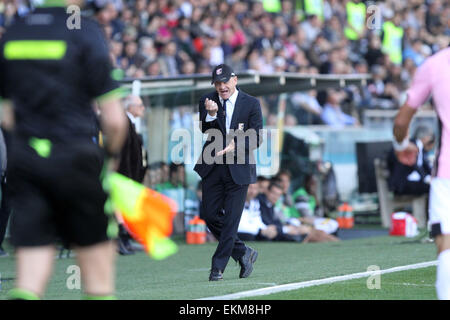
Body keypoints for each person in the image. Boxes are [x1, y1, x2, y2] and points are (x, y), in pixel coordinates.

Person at [0, 0, 128, 300]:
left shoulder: (15, 31)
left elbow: (6, 115)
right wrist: (110, 159)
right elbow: (115, 120)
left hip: (27, 159)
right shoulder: (84, 31)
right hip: (76, 156)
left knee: (29, 275)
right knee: (96, 271)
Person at [194, 63, 263, 281]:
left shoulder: (251, 103)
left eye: (225, 82)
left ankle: (218, 267)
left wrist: (238, 144)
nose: (221, 87)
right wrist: (212, 115)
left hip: (239, 167)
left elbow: (257, 137)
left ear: (235, 79)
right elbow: (205, 129)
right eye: (217, 83)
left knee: (231, 220)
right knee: (210, 215)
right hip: (213, 166)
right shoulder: (207, 100)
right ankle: (243, 253)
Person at [393, 47, 450, 300]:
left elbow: (402, 122)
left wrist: (401, 144)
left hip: (447, 172)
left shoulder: (435, 64)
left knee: (446, 246)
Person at [116, 94, 147, 255]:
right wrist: (127, 178)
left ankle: (126, 240)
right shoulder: (124, 123)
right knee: (120, 209)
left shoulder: (130, 123)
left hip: (129, 176)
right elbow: (124, 155)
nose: (142, 108)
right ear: (130, 107)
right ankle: (121, 241)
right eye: (140, 105)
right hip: (124, 176)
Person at [387, 125, 434, 196]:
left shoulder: (419, 147)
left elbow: (424, 165)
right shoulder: (410, 146)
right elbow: (415, 164)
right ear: (425, 136)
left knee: (436, 186)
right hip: (402, 184)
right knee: (435, 188)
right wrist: (426, 178)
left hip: (409, 181)